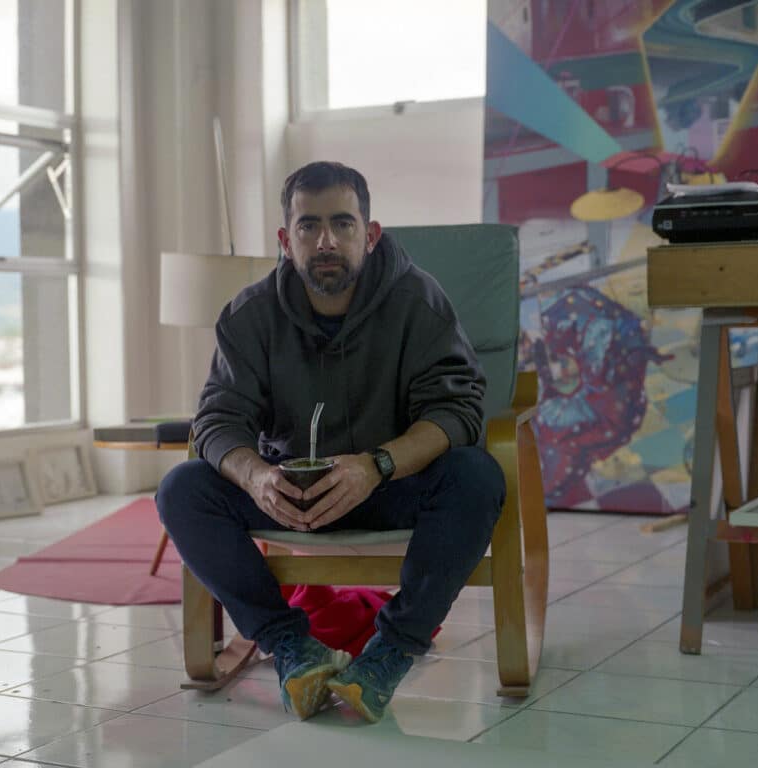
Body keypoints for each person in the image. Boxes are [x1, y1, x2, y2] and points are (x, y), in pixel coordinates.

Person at [156, 161, 506, 723]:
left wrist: (377, 465)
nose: (325, 241)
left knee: (477, 474)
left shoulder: (420, 301)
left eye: (342, 224)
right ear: (284, 239)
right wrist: (256, 476)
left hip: (390, 481)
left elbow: (458, 409)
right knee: (182, 489)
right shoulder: (248, 315)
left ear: (369, 235)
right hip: (286, 489)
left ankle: (390, 654)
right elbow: (219, 420)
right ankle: (292, 644)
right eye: (308, 226)